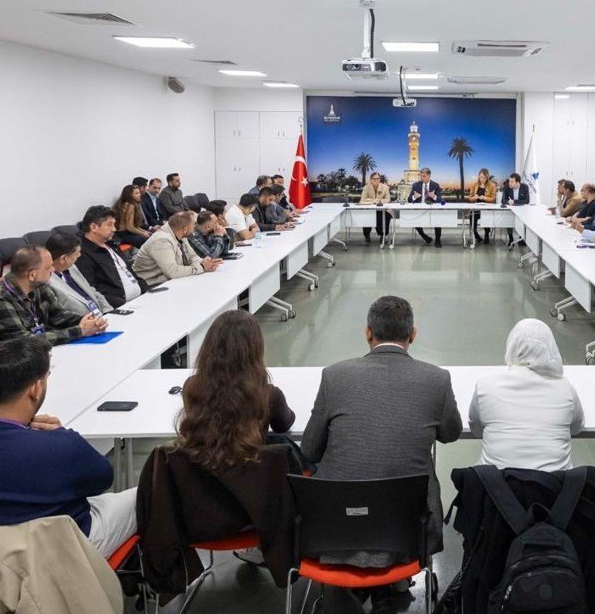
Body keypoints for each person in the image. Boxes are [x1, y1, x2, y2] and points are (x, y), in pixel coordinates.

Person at [301, 296, 460, 613]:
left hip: (335, 530)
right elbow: (450, 433)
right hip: (409, 533)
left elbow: (309, 449)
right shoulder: (437, 380)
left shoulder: (335, 376)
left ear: (368, 333)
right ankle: (389, 587)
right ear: (412, 334)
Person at [0, 337, 138, 558]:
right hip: (53, 556)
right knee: (142, 496)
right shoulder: (58, 446)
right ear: (35, 388)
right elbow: (102, 479)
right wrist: (62, 435)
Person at [176, 310, 295, 471]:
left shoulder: (192, 388)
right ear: (255, 350)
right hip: (249, 479)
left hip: (203, 477)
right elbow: (284, 424)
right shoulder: (268, 395)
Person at [468, 319, 583, 471]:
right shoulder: (565, 388)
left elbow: (476, 430)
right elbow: (576, 428)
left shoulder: (486, 386)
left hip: (495, 483)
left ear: (512, 345)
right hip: (555, 484)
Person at [0, 246, 107, 345]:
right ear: (32, 274)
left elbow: (59, 316)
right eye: (48, 267)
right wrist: (79, 331)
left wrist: (89, 321)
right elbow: (25, 342)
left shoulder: (38, 286)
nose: (53, 270)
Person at [75, 205, 148, 308]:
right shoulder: (82, 254)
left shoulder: (112, 244)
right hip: (122, 307)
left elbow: (129, 271)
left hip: (141, 299)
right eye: (109, 225)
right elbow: (92, 290)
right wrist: (123, 305)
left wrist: (146, 290)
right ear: (94, 227)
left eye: (114, 224)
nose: (114, 229)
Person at [132, 211, 221, 286]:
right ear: (185, 229)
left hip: (169, 282)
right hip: (151, 287)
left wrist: (205, 262)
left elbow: (192, 256)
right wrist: (201, 267)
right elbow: (173, 271)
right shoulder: (161, 240)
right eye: (194, 224)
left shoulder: (181, 234)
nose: (195, 227)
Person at [45, 231, 113, 318]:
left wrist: (108, 312)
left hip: (101, 316)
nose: (79, 255)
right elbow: (62, 314)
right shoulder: (47, 282)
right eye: (76, 253)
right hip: (83, 322)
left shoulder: (72, 267)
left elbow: (91, 290)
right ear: (63, 258)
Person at [408, 168, 445, 247]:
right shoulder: (416, 185)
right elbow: (409, 199)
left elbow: (440, 200)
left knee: (437, 218)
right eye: (421, 176)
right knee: (413, 218)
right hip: (419, 209)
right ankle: (425, 237)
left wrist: (434, 196)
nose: (422, 178)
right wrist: (414, 197)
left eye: (424, 176)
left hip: (432, 209)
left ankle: (438, 239)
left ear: (429, 176)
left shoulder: (435, 185)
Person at [359, 172, 393, 245]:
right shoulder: (366, 188)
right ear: (371, 179)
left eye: (377, 178)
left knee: (385, 215)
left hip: (382, 210)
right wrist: (373, 201)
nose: (376, 180)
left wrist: (379, 201)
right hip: (370, 210)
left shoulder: (385, 187)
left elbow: (388, 199)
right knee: (367, 216)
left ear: (380, 179)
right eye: (374, 179)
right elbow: (362, 200)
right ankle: (367, 235)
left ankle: (383, 235)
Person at [465, 168, 498, 244]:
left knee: (486, 216)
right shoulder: (474, 185)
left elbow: (493, 199)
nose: (482, 179)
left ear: (487, 177)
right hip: (476, 209)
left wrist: (484, 198)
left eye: (484, 177)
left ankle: (486, 235)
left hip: (486, 209)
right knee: (472, 216)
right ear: (478, 176)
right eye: (480, 177)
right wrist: (475, 197)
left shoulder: (492, 186)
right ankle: (476, 234)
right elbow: (470, 198)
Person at [114, 184, 151, 248]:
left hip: (125, 233)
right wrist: (143, 233)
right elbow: (130, 227)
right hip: (123, 234)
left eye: (139, 193)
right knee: (147, 240)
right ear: (129, 195)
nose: (139, 194)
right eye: (136, 193)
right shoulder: (130, 206)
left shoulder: (125, 204)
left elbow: (134, 226)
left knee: (149, 235)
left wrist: (144, 231)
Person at [500, 172, 531, 246]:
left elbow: (527, 201)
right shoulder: (507, 187)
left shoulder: (525, 187)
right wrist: (508, 201)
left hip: (522, 211)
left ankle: (522, 237)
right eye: (509, 181)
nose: (509, 183)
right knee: (508, 219)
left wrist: (514, 202)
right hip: (510, 211)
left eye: (512, 182)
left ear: (517, 183)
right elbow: (503, 201)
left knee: (524, 221)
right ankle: (511, 238)